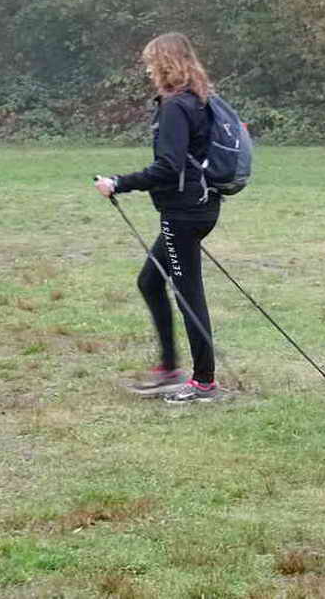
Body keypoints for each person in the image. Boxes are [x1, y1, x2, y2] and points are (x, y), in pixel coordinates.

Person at [94, 32, 222, 404]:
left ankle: (203, 382)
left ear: (166, 64)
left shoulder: (176, 106)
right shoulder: (199, 100)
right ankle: (169, 368)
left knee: (188, 293)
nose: (149, 71)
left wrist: (118, 183)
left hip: (184, 212)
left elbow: (168, 166)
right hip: (200, 206)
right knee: (150, 281)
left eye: (152, 63)